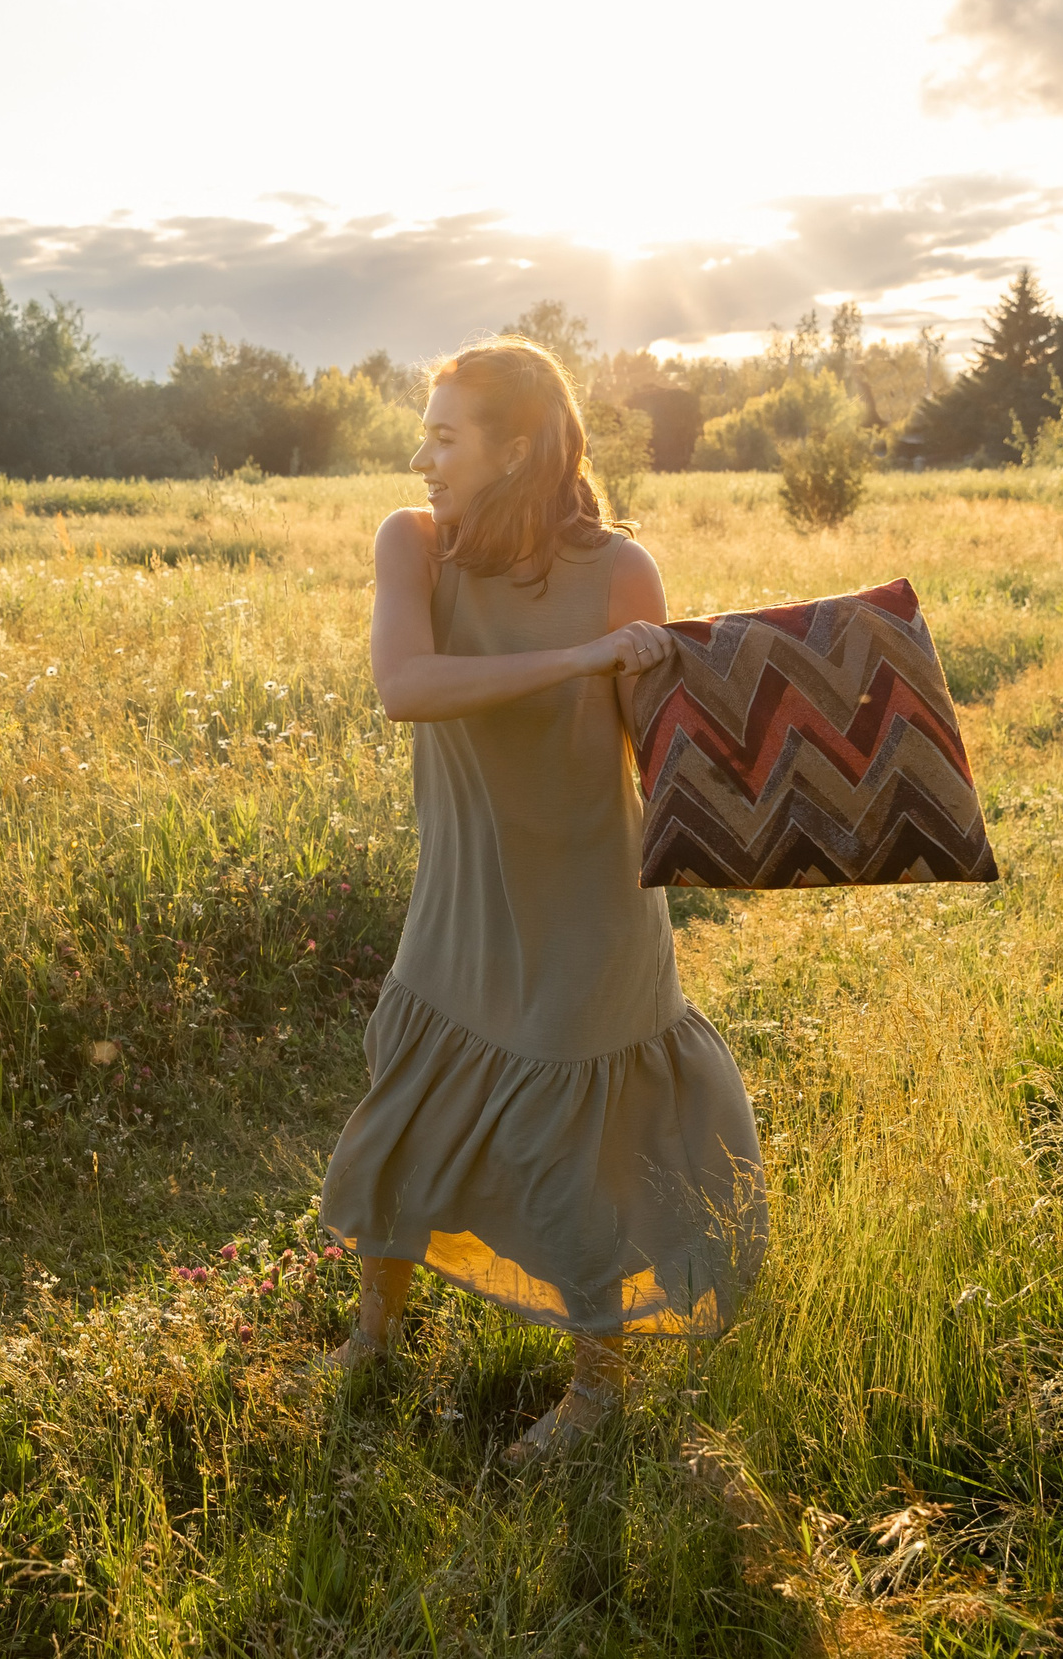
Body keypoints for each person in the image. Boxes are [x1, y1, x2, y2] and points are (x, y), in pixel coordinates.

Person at [317, 338, 764, 1462]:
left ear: (515, 445)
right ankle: (376, 1334)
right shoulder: (414, 545)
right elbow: (404, 688)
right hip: (464, 894)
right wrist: (578, 662)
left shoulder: (618, 570)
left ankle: (595, 1391)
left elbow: (656, 755)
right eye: (425, 431)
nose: (422, 456)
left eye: (445, 434)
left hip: (588, 906)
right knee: (406, 1104)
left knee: (579, 1160)